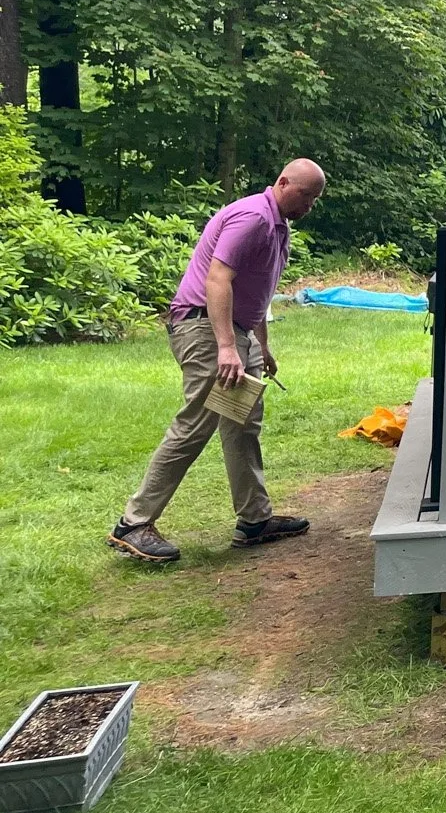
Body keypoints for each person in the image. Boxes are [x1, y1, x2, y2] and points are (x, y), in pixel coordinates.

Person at [108, 160, 328, 563]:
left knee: (242, 424)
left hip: (235, 331)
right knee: (196, 423)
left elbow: (255, 293)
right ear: (282, 183)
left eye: (316, 198)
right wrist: (227, 346)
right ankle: (133, 523)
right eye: (306, 194)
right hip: (204, 327)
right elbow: (218, 279)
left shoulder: (278, 228)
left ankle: (254, 520)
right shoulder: (253, 218)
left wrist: (260, 346)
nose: (310, 205)